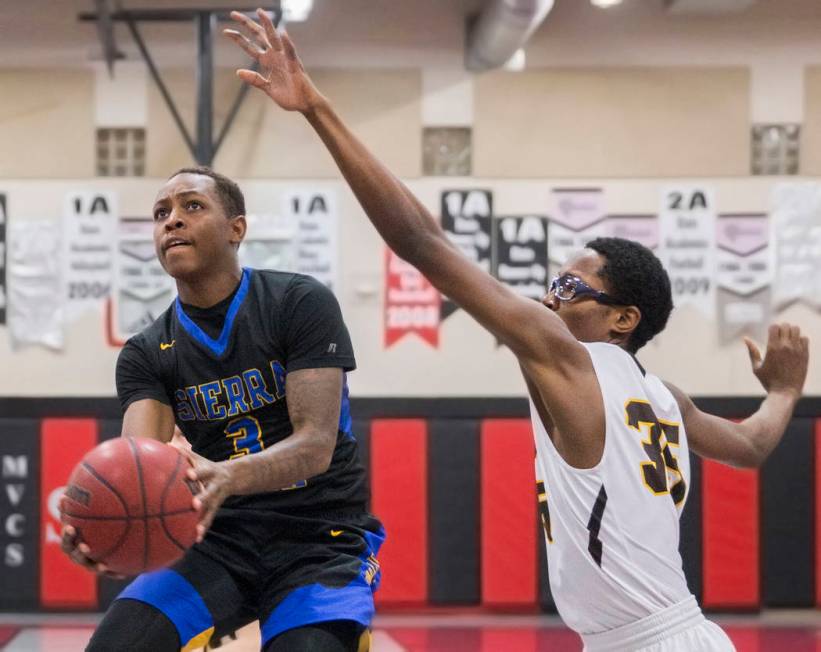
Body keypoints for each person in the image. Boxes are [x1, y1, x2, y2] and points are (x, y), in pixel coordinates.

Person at [222, 9, 811, 651]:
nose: (548, 301)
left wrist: (315, 109)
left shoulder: (573, 359)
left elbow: (420, 242)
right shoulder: (667, 399)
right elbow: (749, 447)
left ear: (623, 319)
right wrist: (783, 392)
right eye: (550, 286)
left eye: (569, 289)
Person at [61, 162, 384, 652]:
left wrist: (228, 476)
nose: (171, 220)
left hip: (319, 538)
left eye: (192, 206)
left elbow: (316, 445)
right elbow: (137, 463)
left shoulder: (298, 302)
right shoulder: (147, 352)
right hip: (218, 537)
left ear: (237, 229)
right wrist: (104, 529)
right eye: (160, 212)